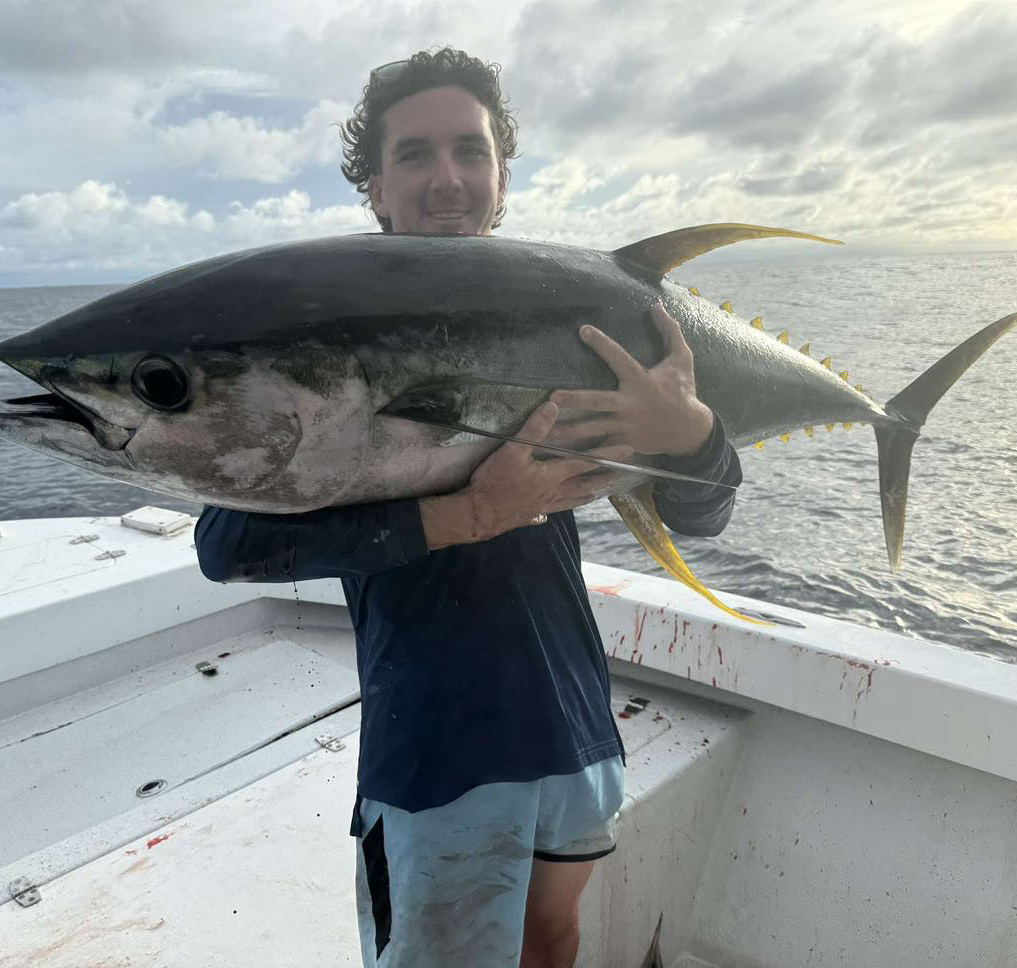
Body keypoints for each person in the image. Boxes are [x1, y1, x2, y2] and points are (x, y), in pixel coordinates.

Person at [195, 47, 742, 968]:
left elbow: (705, 515)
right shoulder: (340, 327)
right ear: (375, 189)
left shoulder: (562, 320)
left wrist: (689, 436)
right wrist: (466, 514)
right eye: (414, 154)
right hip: (436, 748)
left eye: (470, 151)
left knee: (552, 939)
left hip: (572, 719)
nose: (446, 178)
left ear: (501, 177)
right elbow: (227, 543)